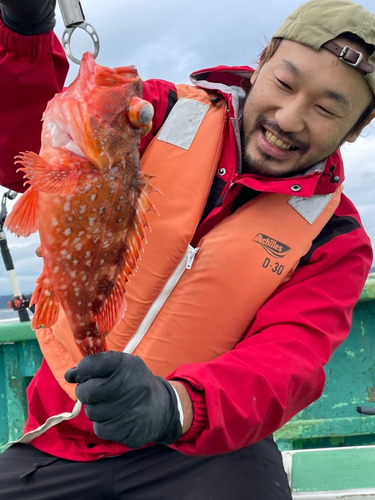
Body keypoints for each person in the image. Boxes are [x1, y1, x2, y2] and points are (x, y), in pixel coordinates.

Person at [0, 0, 374, 498]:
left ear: (355, 129)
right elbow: (21, 148)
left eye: (327, 109)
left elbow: (287, 360)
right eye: (284, 84)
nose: (289, 119)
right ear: (260, 63)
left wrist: (173, 406)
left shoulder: (337, 239)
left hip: (201, 448)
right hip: (59, 433)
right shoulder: (155, 112)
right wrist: (24, 28)